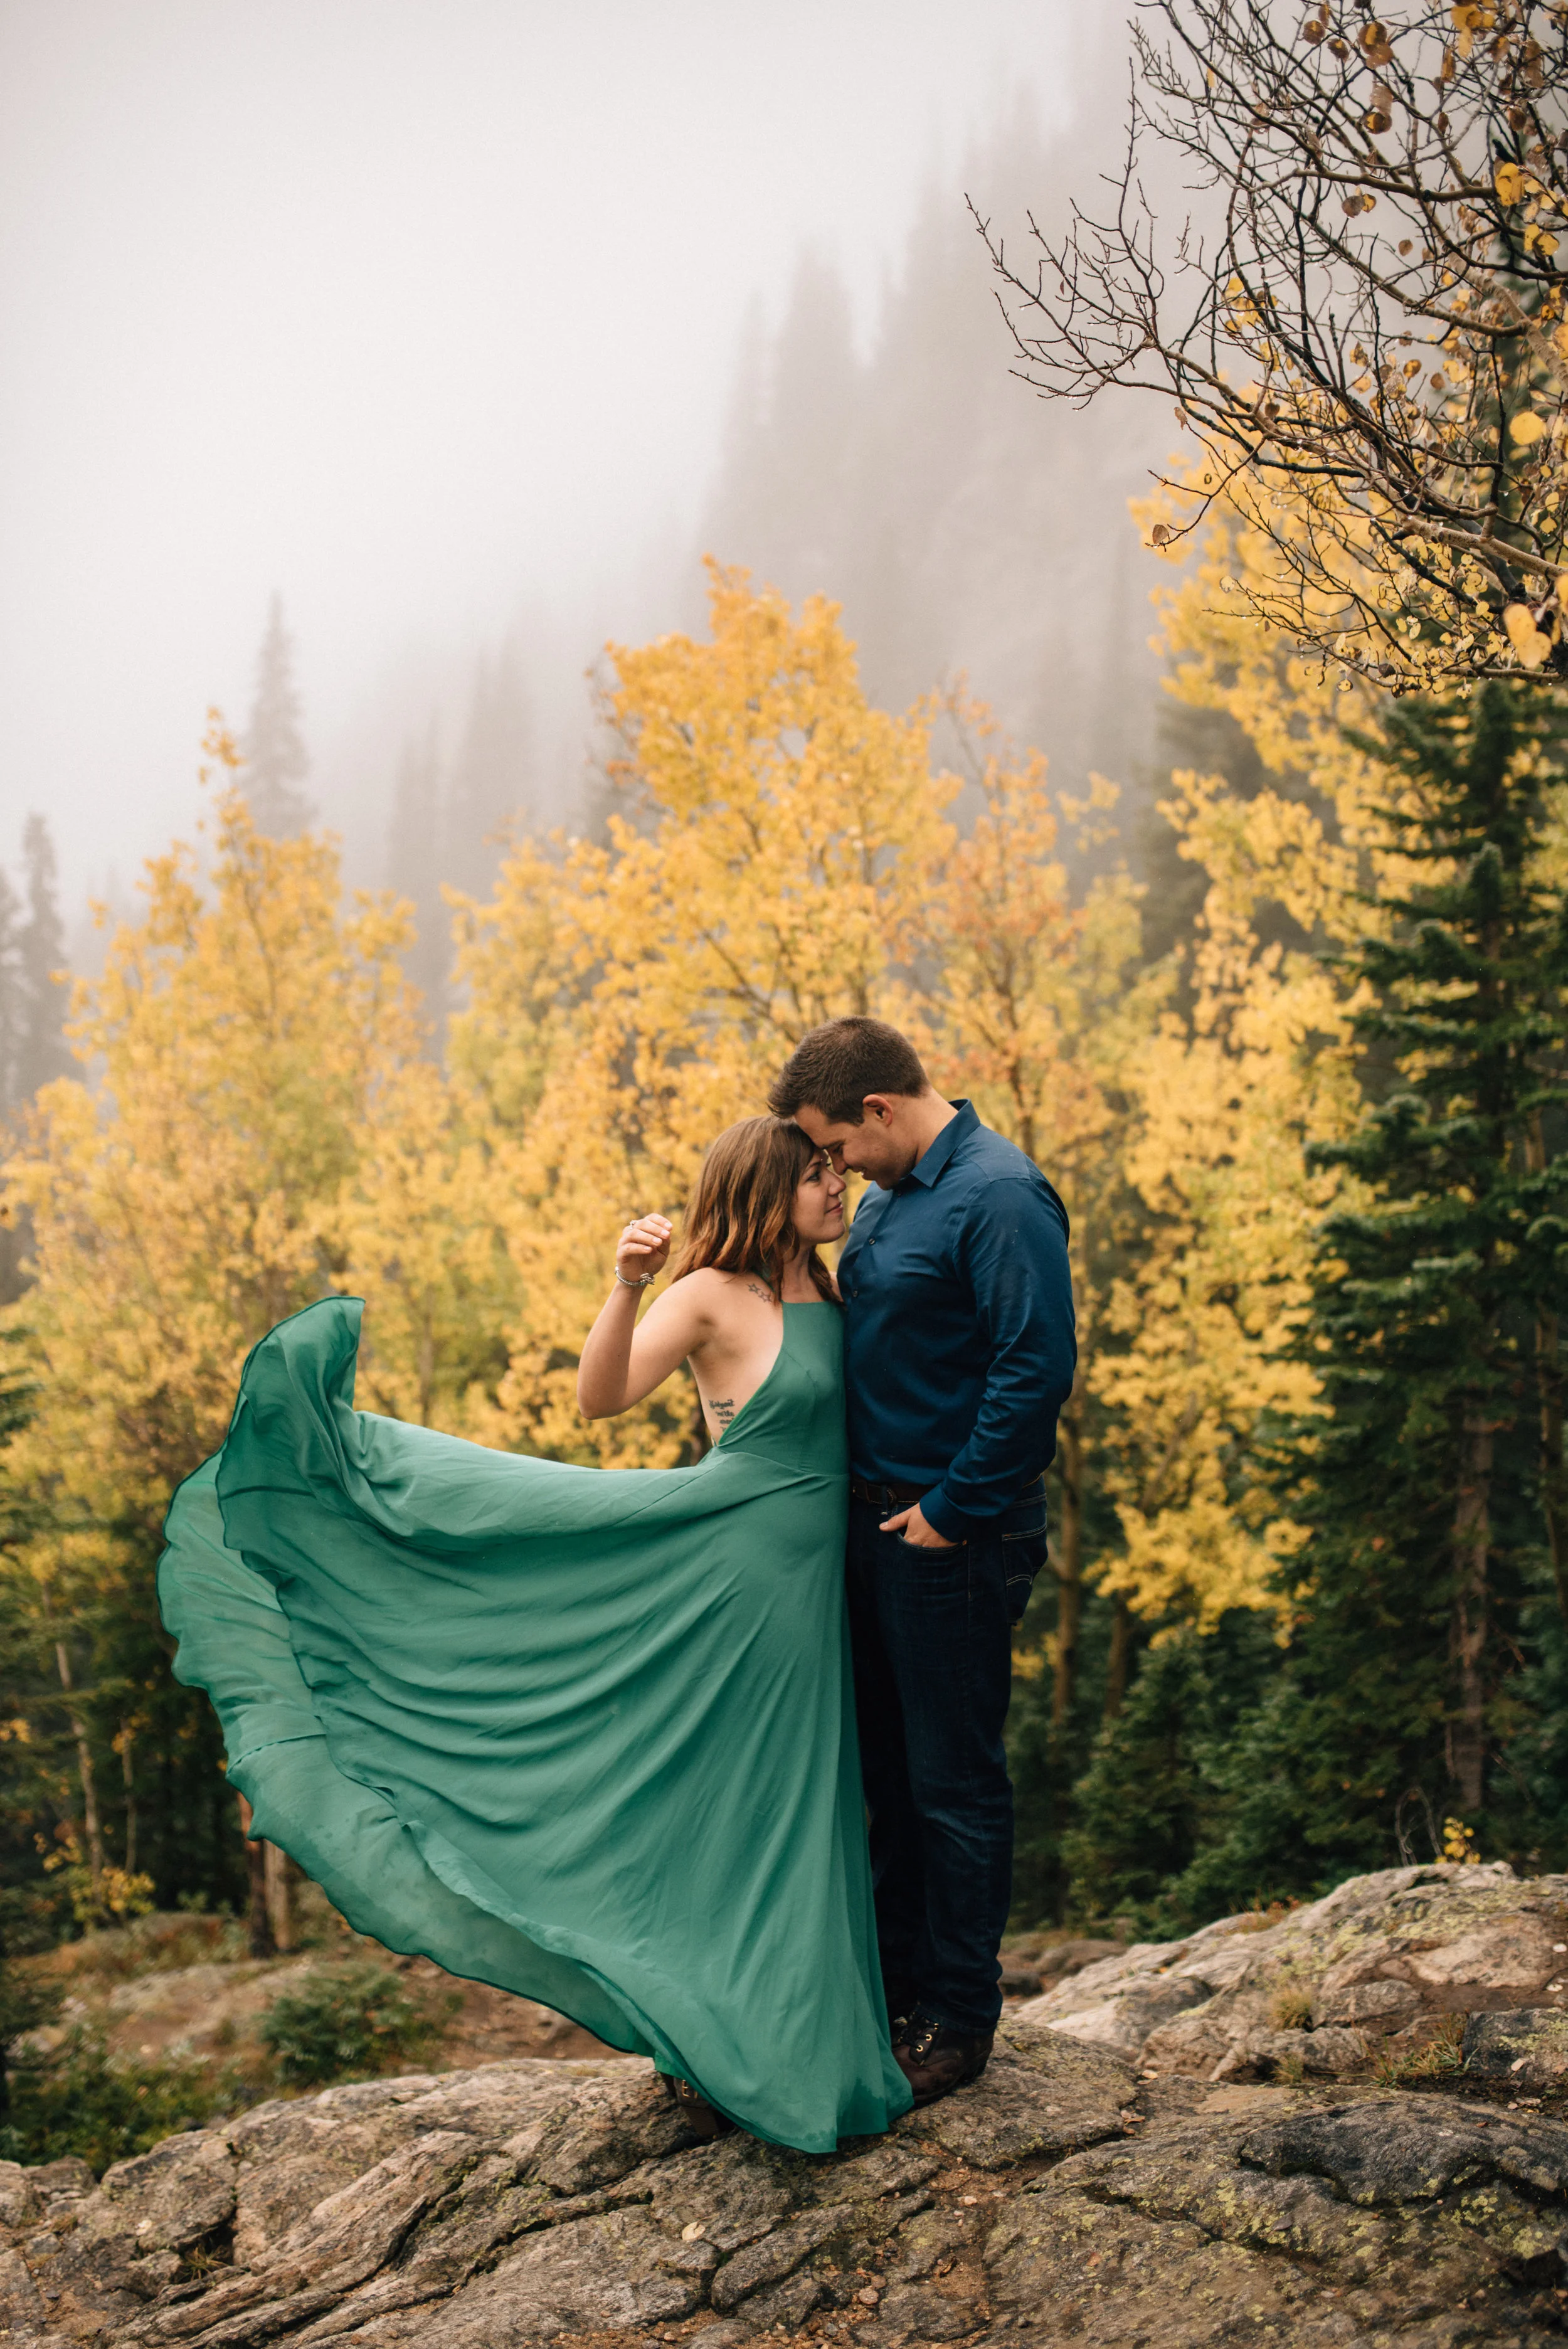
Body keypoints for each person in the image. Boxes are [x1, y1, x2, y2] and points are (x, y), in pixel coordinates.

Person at [156, 1115, 910, 2152]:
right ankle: (737, 2055)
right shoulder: (706, 1294)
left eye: (839, 1169)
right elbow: (601, 1399)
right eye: (819, 1174)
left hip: (819, 1580)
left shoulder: (837, 1284)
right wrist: (627, 1282)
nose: (840, 1188)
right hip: (735, 1578)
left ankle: (813, 2053)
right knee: (744, 1810)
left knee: (806, 1806)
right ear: (766, 1186)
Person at [770, 1017, 1076, 2108]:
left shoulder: (998, 1195)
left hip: (950, 1534)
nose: (834, 1170)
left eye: (835, 1146)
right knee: (890, 1784)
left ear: (881, 1112)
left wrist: (951, 1509)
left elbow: (1035, 1368)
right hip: (872, 1529)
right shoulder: (897, 1195)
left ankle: (956, 2017)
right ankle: (895, 1994)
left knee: (952, 1784)